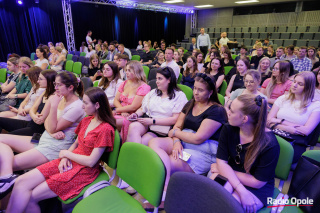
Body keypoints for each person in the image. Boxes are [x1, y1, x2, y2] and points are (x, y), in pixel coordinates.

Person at [6, 87, 116, 213]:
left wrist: (66, 154)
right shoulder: (86, 120)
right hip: (70, 160)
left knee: (31, 197)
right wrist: (65, 157)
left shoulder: (105, 129)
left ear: (97, 105)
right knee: (21, 181)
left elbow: (91, 161)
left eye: (85, 103)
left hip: (85, 170)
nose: (82, 106)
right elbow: (76, 143)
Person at [0, 71, 85, 197]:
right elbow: (43, 122)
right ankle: (7, 177)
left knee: (3, 163)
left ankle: (6, 188)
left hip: (55, 148)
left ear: (71, 87)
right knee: (1, 139)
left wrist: (54, 107)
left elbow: (52, 127)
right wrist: (51, 131)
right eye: (55, 84)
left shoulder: (77, 106)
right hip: (45, 139)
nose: (55, 88)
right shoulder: (58, 97)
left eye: (58, 85)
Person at [148, 73, 227, 189]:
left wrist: (175, 134)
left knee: (171, 161)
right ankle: (166, 181)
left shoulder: (217, 110)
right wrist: (176, 142)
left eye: (201, 90)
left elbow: (198, 138)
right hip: (184, 141)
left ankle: (164, 186)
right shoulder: (191, 103)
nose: (195, 92)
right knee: (154, 142)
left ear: (210, 92)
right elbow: (177, 126)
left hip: (204, 150)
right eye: (195, 88)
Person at [211, 94, 279, 210]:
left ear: (244, 119)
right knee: (213, 197)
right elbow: (221, 162)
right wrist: (241, 190)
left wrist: (224, 169)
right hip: (232, 174)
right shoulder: (228, 128)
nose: (228, 113)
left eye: (231, 111)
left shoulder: (270, 144)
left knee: (229, 207)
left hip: (256, 186)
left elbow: (257, 182)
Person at [267, 71, 320, 163]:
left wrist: (277, 121)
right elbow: (268, 121)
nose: (294, 85)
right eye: (294, 81)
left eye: (300, 84)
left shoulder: (315, 105)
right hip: (274, 134)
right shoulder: (283, 98)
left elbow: (306, 131)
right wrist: (285, 126)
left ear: (308, 87)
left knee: (272, 155)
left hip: (295, 142)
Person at [126, 67, 188, 145]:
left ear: (169, 80)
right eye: (156, 79)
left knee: (142, 143)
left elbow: (175, 119)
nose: (157, 81)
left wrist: (153, 121)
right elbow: (143, 108)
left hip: (163, 129)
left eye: (160, 79)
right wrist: (136, 114)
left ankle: (134, 154)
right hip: (149, 123)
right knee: (133, 126)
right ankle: (131, 154)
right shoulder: (153, 92)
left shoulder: (179, 96)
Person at [0, 70, 56, 136]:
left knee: (3, 138)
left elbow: (41, 119)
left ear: (49, 81)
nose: (38, 81)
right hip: (31, 123)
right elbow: (34, 108)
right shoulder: (45, 92)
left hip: (36, 130)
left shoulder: (54, 96)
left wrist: (34, 116)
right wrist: (34, 116)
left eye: (40, 79)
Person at [113, 61, 151, 141]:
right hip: (122, 113)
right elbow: (116, 100)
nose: (126, 72)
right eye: (126, 70)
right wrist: (122, 111)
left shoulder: (144, 87)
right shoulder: (124, 83)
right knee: (101, 119)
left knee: (109, 122)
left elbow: (134, 107)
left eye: (129, 70)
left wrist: (117, 110)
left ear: (137, 71)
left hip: (132, 116)